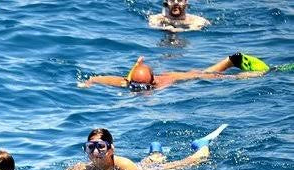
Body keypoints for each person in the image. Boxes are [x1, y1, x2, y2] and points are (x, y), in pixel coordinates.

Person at [65, 128, 210, 170]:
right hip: (140, 166)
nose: (95, 152)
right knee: (152, 159)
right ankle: (156, 151)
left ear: (111, 150)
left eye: (101, 147)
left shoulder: (124, 165)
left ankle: (202, 147)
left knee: (182, 164)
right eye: (90, 147)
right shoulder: (87, 167)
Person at [79, 53, 268, 91]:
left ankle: (232, 61)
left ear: (152, 83)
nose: (139, 91)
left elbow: (199, 77)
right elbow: (98, 78)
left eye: (144, 88)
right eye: (135, 87)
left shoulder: (166, 81)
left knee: (208, 75)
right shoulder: (125, 82)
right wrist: (88, 83)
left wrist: (239, 79)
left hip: (188, 76)